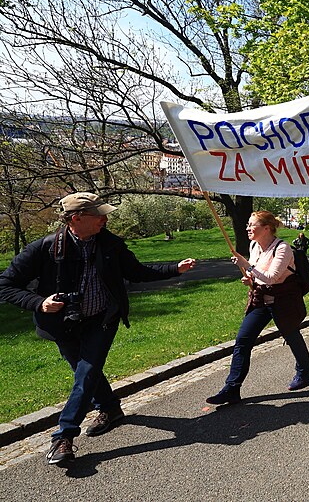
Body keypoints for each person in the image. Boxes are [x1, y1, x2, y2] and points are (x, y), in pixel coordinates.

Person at [0, 192, 197, 466]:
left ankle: (63, 436)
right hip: (62, 324)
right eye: (99, 215)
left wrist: (174, 269)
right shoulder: (44, 248)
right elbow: (6, 284)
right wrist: (38, 302)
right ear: (76, 219)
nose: (105, 219)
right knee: (86, 374)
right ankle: (110, 409)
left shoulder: (110, 244)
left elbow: (137, 272)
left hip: (102, 319)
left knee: (87, 372)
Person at [206, 211, 309, 406]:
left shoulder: (283, 249)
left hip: (283, 301)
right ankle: (232, 388)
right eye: (247, 224)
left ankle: (304, 373)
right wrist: (250, 278)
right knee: (243, 340)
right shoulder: (254, 245)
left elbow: (272, 277)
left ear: (266, 228)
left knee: (291, 336)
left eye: (252, 225)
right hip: (261, 300)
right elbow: (259, 273)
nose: (247, 228)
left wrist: (246, 265)